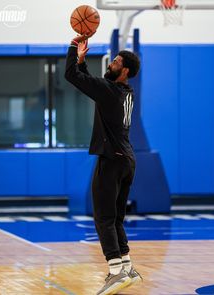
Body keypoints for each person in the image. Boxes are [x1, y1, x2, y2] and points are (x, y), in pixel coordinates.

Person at [65, 32, 142, 295]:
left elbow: (72, 77)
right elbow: (92, 83)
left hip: (112, 160)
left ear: (125, 70)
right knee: (116, 218)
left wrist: (74, 48)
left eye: (116, 62)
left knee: (103, 218)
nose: (111, 63)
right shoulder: (125, 92)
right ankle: (127, 266)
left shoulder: (110, 92)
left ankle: (116, 271)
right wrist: (83, 62)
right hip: (127, 160)